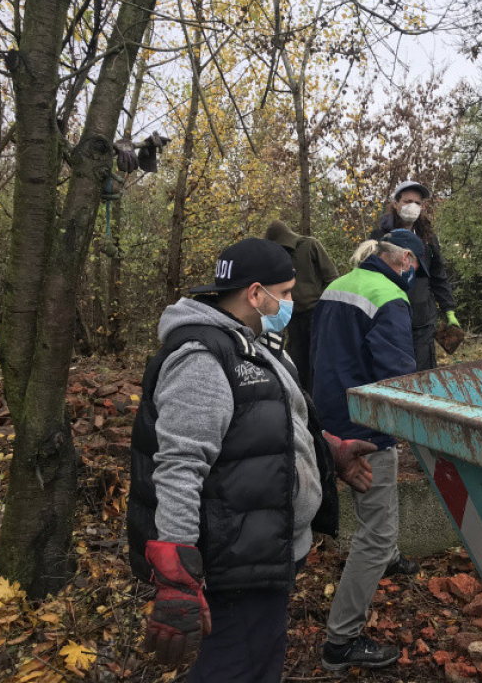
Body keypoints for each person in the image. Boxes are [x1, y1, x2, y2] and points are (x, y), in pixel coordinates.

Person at [127, 238, 377, 682]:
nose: (289, 303)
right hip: (235, 557)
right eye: (284, 293)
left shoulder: (255, 344)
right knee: (236, 667)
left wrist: (330, 451)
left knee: (258, 657)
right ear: (255, 293)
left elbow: (278, 420)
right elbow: (180, 466)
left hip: (265, 545)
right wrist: (177, 576)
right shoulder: (202, 358)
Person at [310, 229, 430, 671]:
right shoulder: (390, 298)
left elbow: (318, 354)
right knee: (375, 533)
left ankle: (391, 556)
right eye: (417, 267)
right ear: (405, 259)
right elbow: (397, 377)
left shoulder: (337, 285)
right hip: (364, 430)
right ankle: (340, 642)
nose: (417, 276)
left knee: (379, 523)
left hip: (328, 421)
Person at [371, 180, 460, 371]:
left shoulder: (427, 238)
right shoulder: (379, 237)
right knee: (395, 370)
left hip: (423, 318)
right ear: (395, 204)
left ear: (423, 206)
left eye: (417, 203)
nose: (412, 206)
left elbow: (438, 275)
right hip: (390, 315)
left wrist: (449, 309)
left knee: (423, 371)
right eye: (407, 201)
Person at [265, 220, 340, 393]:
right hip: (293, 316)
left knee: (319, 361)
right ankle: (303, 401)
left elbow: (332, 277)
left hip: (316, 312)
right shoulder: (276, 257)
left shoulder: (310, 245)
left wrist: (327, 308)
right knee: (298, 363)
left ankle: (319, 402)